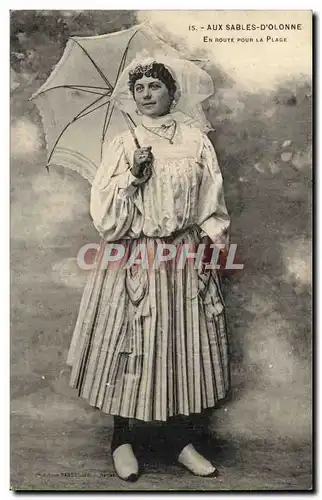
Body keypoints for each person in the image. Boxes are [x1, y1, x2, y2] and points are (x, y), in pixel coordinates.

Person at [67, 58, 231, 482]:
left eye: (154, 86)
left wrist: (211, 242)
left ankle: (179, 441)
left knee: (180, 347)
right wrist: (133, 178)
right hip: (136, 256)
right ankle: (121, 438)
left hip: (184, 257)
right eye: (138, 87)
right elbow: (106, 219)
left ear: (171, 94)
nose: (145, 93)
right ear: (132, 96)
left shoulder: (196, 141)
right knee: (132, 345)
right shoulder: (124, 143)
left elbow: (212, 201)